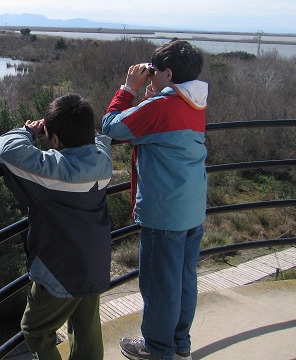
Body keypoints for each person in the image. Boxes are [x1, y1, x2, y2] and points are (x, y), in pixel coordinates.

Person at [101, 40, 208, 360]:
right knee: (184, 280)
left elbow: (111, 127)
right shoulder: (194, 101)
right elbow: (157, 127)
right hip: (192, 206)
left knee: (160, 286)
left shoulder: (160, 107)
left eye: (154, 71)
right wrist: (152, 93)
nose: (149, 75)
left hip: (164, 212)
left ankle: (157, 350)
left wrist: (128, 87)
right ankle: (179, 345)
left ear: (169, 72)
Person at [0, 93, 113, 360]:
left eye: (49, 136)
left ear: (55, 140)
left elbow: (6, 149)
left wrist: (27, 131)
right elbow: (99, 139)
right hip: (94, 262)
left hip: (60, 269)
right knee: (86, 329)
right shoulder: (102, 161)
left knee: (34, 328)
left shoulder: (54, 172)